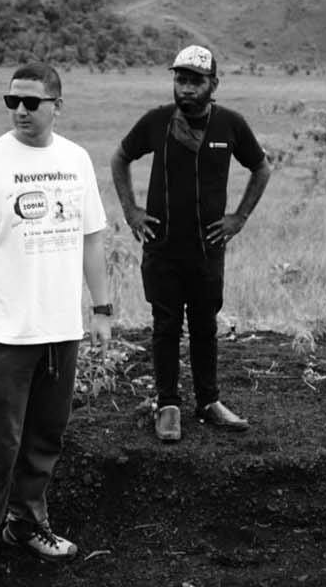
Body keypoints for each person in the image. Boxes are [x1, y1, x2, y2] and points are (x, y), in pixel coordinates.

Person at [0, 62, 113, 587]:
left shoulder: (76, 160)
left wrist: (103, 307)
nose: (21, 110)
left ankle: (26, 524)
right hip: (3, 334)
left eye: (32, 102)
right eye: (12, 101)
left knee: (45, 439)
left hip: (60, 330)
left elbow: (91, 239)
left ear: (56, 105)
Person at [110, 45, 273, 443]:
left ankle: (208, 402)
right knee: (165, 326)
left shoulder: (230, 125)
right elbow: (120, 157)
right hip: (162, 247)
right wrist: (132, 211)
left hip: (207, 249)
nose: (185, 88)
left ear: (212, 84)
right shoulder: (157, 122)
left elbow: (261, 167)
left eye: (195, 81)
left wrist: (239, 217)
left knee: (204, 326)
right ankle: (167, 405)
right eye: (180, 79)